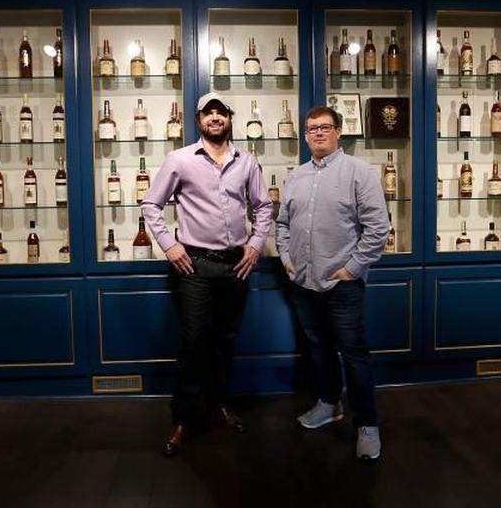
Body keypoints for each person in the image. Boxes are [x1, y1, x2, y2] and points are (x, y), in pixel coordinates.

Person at [141, 91, 273, 458]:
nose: (215, 118)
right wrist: (169, 244)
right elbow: (151, 204)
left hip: (236, 265)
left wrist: (255, 245)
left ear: (229, 118)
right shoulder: (180, 160)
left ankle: (219, 406)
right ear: (199, 120)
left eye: (221, 112)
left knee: (225, 341)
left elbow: (264, 207)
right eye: (208, 113)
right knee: (194, 343)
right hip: (194, 265)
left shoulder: (247, 161)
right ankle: (183, 419)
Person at [275, 104, 390, 461]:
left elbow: (378, 228)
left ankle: (367, 424)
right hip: (303, 282)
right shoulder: (296, 176)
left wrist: (353, 268)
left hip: (342, 284)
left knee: (354, 355)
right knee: (319, 348)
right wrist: (286, 257)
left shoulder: (360, 172)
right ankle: (328, 403)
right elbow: (282, 224)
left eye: (325, 127)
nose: (319, 133)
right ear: (306, 136)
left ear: (339, 131)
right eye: (312, 129)